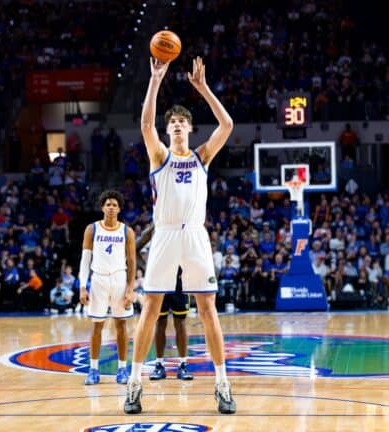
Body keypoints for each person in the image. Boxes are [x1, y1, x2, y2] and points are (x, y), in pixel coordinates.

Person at [125, 56, 236, 415]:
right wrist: (155, 79)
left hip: (195, 237)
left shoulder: (202, 155)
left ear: (188, 129)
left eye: (180, 122)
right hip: (165, 235)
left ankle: (222, 384)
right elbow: (145, 123)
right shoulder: (159, 155)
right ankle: (134, 383)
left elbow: (228, 124)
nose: (174, 126)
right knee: (151, 310)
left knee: (207, 309)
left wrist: (202, 89)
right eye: (171, 122)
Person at [79, 190, 137, 386]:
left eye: (115, 205)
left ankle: (122, 368)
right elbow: (85, 260)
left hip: (120, 279)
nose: (111, 208)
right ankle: (93, 369)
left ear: (119, 209)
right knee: (97, 326)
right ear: (102, 207)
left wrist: (130, 288)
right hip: (98, 280)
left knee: (121, 326)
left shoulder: (126, 231)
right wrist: (82, 286)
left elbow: (132, 261)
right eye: (108, 204)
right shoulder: (92, 229)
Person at [136, 225, 194, 382]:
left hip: (179, 282)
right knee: (159, 323)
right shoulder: (155, 227)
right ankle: (159, 365)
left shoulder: (183, 226)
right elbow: (135, 248)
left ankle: (183, 364)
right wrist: (147, 269)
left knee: (180, 323)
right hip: (159, 282)